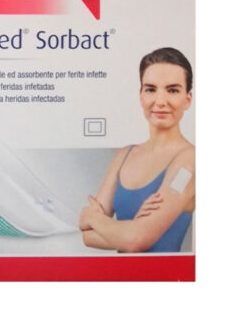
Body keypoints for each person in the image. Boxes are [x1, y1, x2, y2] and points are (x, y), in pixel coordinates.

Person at [80, 47, 195, 252]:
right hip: (119, 273)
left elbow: (136, 240)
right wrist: (130, 230)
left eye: (172, 90)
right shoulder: (124, 155)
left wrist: (93, 217)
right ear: (141, 95)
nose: (160, 102)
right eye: (151, 89)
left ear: (188, 99)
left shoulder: (190, 162)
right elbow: (87, 235)